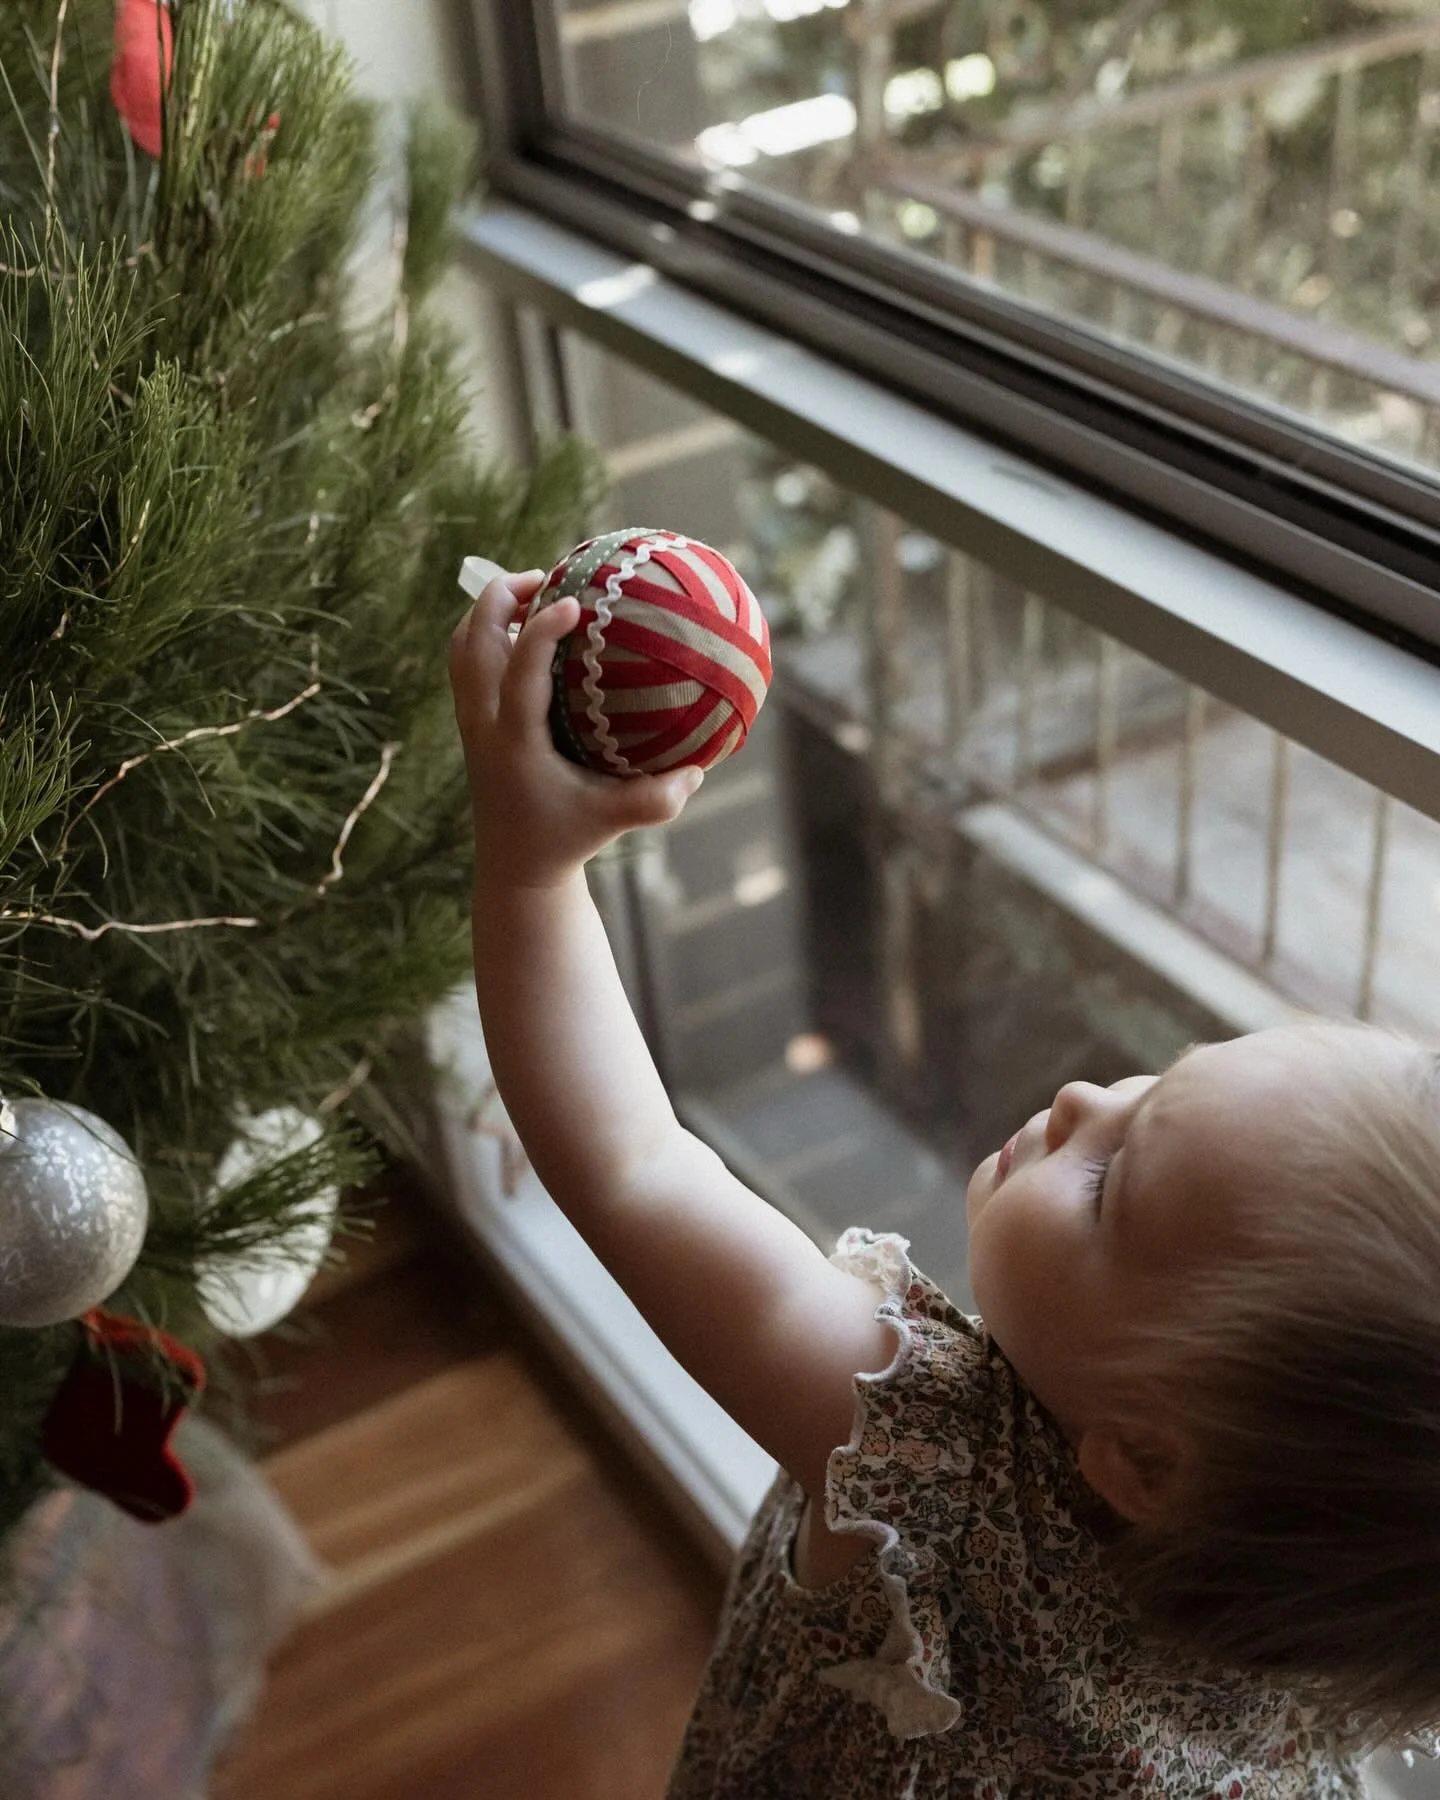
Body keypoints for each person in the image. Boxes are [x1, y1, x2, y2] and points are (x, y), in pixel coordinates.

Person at [450, 569, 1440, 1799]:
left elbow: (634, 1169)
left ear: (1143, 1464)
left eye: (1112, 1182)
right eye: (1159, 1079)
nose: (1088, 1101)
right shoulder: (1314, 1674)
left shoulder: (937, 1474)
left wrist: (531, 871)